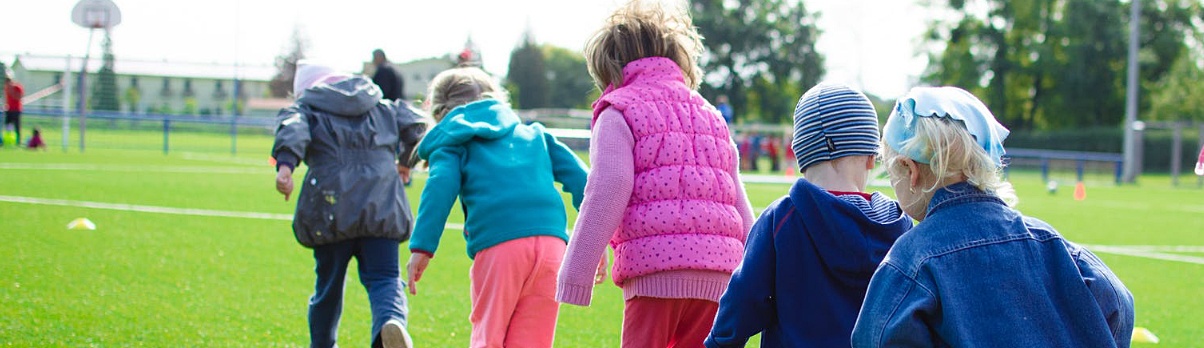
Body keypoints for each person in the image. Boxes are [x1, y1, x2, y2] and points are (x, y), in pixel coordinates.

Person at [851, 86, 1135, 347]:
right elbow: (1119, 302)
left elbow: (875, 337)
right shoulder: (1053, 243)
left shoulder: (911, 260)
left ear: (909, 170)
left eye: (890, 174)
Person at [556, 2, 756, 346]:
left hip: (655, 274)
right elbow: (738, 201)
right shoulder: (711, 114)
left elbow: (609, 186)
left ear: (608, 64)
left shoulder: (619, 108)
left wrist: (576, 271)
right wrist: (754, 274)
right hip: (719, 276)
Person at [705, 84, 913, 348]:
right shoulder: (898, 225)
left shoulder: (781, 218)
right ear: (872, 157)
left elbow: (744, 298)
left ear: (801, 153)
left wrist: (719, 341)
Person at [406, 66, 588, 348]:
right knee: (533, 342)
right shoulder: (534, 134)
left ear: (440, 110)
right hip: (553, 244)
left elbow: (440, 187)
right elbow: (583, 180)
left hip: (501, 246)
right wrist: (593, 238)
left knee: (488, 337)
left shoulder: (453, 141)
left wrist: (422, 247)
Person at [272, 61, 425, 348]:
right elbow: (418, 128)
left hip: (331, 207)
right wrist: (406, 162)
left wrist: (285, 165)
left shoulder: (309, 108)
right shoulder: (381, 105)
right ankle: (389, 325)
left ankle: (323, 344)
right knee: (385, 279)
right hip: (382, 204)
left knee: (328, 288)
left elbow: (292, 129)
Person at [4, 75, 23, 146]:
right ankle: (8, 140)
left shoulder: (17, 87)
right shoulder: (6, 88)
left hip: (16, 110)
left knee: (17, 127)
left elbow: (19, 97)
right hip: (9, 110)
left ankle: (18, 142)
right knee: (8, 126)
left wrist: (11, 91)